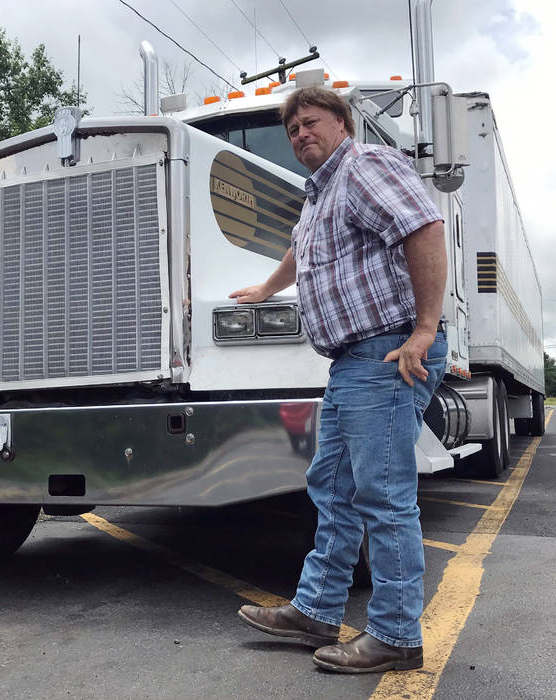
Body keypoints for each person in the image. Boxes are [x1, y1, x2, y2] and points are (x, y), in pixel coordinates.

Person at [231, 87, 448, 674]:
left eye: (311, 122)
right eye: (293, 128)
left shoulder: (365, 166)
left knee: (383, 496)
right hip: (353, 362)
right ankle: (317, 611)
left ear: (341, 123)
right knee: (332, 486)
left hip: (388, 353)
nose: (301, 134)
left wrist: (424, 329)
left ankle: (397, 635)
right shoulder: (320, 194)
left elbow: (424, 228)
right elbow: (302, 252)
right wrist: (268, 289)